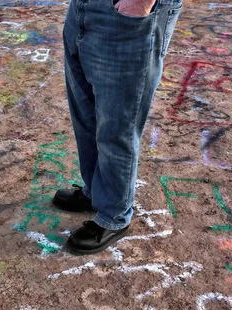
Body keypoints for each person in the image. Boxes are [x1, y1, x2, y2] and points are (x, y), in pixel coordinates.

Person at [54, 0, 182, 255]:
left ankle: (114, 213)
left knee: (118, 125)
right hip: (84, 8)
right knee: (86, 114)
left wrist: (137, 3)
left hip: (126, 12)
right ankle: (96, 191)